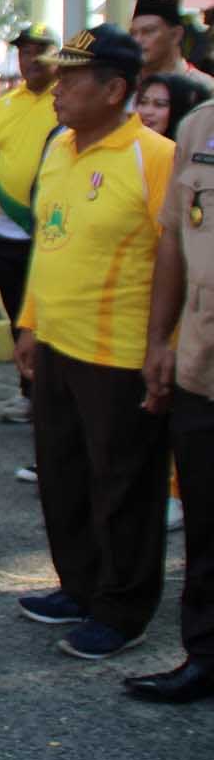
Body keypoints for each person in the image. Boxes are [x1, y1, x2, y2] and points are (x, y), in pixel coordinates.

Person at [12, 25, 175, 660]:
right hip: (57, 345)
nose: (57, 88)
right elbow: (50, 243)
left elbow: (179, 260)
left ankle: (123, 609)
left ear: (114, 90)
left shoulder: (154, 157)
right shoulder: (60, 147)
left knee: (123, 488)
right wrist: (30, 324)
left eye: (72, 78)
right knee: (63, 476)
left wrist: (163, 345)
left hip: (119, 355)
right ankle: (79, 586)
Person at [126, 91, 214, 702]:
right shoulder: (199, 127)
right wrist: (159, 339)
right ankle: (204, 656)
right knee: (205, 525)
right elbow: (174, 238)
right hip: (202, 365)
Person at [0, 25, 60, 428]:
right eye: (24, 52)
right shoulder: (3, 107)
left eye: (40, 51)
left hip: (53, 233)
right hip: (8, 233)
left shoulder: (66, 101)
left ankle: (53, 395)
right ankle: (28, 390)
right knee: (20, 315)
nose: (31, 59)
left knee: (50, 319)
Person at [130, 0, 206, 80]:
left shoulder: (203, 86)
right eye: (133, 33)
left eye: (148, 31)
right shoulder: (126, 84)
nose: (137, 40)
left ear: (175, 35)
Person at [136, 72, 214, 141]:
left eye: (159, 104)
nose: (147, 112)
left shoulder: (196, 150)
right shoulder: (132, 145)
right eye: (143, 102)